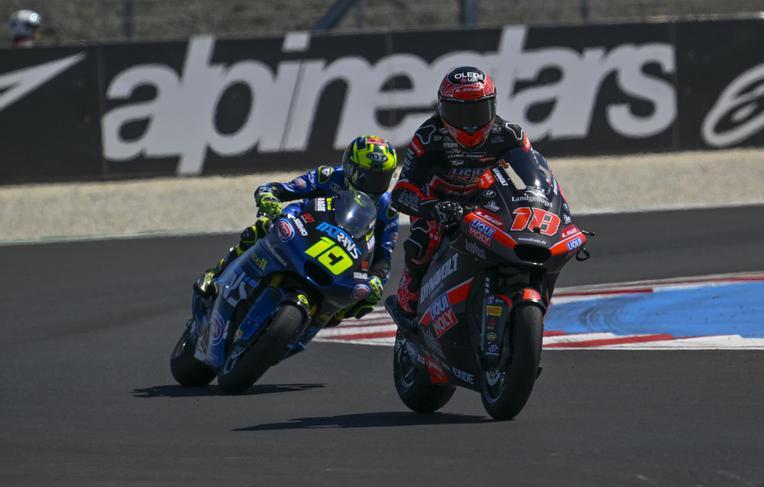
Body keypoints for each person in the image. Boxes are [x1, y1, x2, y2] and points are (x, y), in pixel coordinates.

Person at [195, 135, 400, 320]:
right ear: (351, 169)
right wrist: (269, 197)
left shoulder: (387, 210)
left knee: (366, 297)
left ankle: (321, 318)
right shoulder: (327, 177)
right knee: (261, 227)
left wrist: (377, 279)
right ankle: (217, 273)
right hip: (304, 231)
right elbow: (283, 189)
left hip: (345, 255)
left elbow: (384, 255)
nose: (373, 186)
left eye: (381, 178)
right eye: (367, 177)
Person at [392, 66, 536, 317]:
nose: (470, 124)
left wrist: (536, 200)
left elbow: (533, 176)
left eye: (477, 111)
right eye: (460, 112)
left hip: (484, 199)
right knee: (424, 238)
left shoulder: (511, 135)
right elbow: (402, 190)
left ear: (493, 106)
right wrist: (432, 208)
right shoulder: (428, 137)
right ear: (442, 108)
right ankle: (411, 289)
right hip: (438, 202)